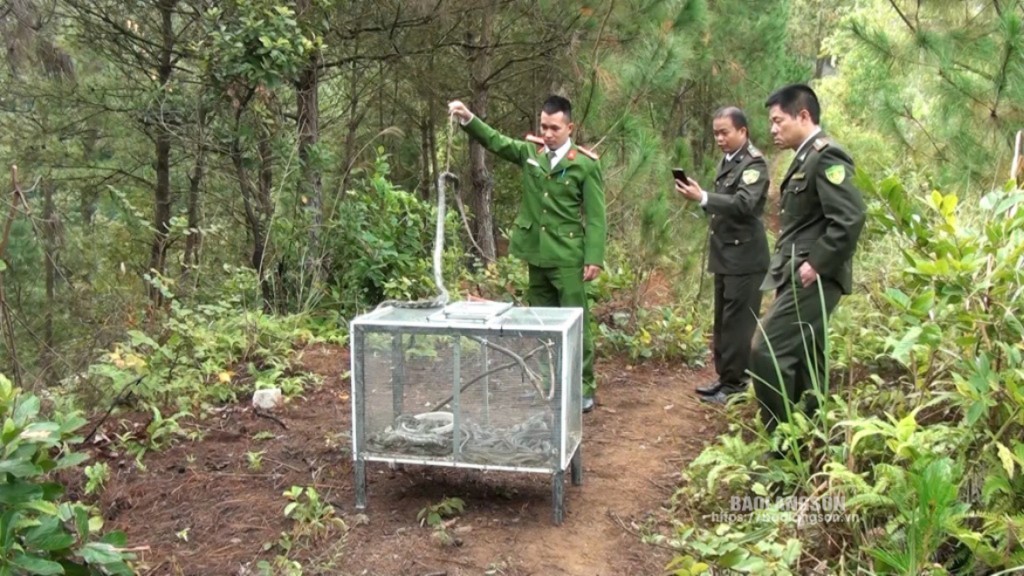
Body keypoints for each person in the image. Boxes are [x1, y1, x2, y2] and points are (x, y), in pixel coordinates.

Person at [447, 96, 606, 413]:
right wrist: (468, 118)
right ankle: (549, 384)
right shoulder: (531, 153)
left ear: (569, 127)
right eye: (543, 126)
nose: (547, 134)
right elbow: (495, 141)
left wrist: (594, 257)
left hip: (568, 257)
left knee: (576, 322)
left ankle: (582, 387)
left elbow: (597, 216)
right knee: (542, 324)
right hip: (537, 254)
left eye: (554, 128)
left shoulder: (584, 164)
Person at [749, 84, 866, 433]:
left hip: (815, 276)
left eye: (778, 121)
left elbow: (850, 217)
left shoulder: (826, 155)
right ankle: (813, 432)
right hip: (798, 273)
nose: (772, 129)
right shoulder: (805, 156)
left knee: (765, 350)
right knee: (808, 357)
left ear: (803, 115)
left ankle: (783, 442)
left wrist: (817, 263)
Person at [675, 107, 770, 405]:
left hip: (746, 257)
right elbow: (724, 204)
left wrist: (703, 197)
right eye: (716, 132)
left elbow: (744, 204)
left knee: (739, 324)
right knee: (723, 321)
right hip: (726, 254)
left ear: (743, 131)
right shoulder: (728, 161)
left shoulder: (754, 164)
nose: (719, 138)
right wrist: (702, 197)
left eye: (725, 132)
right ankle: (725, 377)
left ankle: (737, 385)